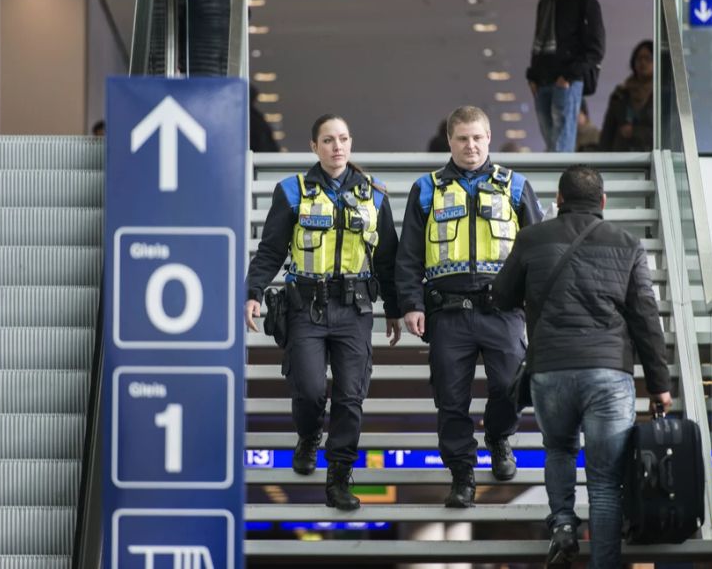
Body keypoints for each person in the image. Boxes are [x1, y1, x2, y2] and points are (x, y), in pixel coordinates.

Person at [491, 165, 673, 567]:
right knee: (606, 483)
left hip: (551, 368)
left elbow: (501, 296)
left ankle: (563, 525)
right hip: (608, 372)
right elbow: (646, 319)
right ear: (603, 202)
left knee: (558, 449)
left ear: (558, 199)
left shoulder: (532, 237)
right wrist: (659, 383)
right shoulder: (627, 244)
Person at [244, 114, 402, 510]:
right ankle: (309, 435)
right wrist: (253, 293)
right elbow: (270, 250)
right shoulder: (292, 192)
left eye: (344, 139)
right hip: (306, 307)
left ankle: (338, 479)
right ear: (314, 147)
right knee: (312, 391)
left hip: (355, 308)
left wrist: (397, 310)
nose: (338, 147)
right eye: (328, 140)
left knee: (350, 397)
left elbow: (387, 260)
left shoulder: (374, 194)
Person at [396, 105, 542, 508]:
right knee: (451, 400)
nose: (471, 146)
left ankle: (498, 438)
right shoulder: (426, 189)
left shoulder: (515, 186)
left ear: (489, 138)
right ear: (450, 141)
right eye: (462, 138)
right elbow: (408, 255)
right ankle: (462, 474)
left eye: (477, 137)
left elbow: (540, 249)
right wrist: (410, 303)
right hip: (448, 313)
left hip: (504, 310)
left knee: (512, 388)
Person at [526, 0, 605, 153]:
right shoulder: (545, 0)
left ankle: (560, 180)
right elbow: (538, 39)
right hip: (542, 79)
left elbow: (596, 47)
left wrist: (569, 76)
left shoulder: (585, 0)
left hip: (567, 80)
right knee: (551, 141)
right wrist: (532, 77)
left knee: (561, 144)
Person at [599, 39, 654, 152]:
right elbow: (608, 132)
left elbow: (668, 133)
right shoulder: (621, 93)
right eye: (639, 59)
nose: (642, 62)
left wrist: (635, 132)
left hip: (651, 158)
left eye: (648, 58)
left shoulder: (663, 95)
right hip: (621, 157)